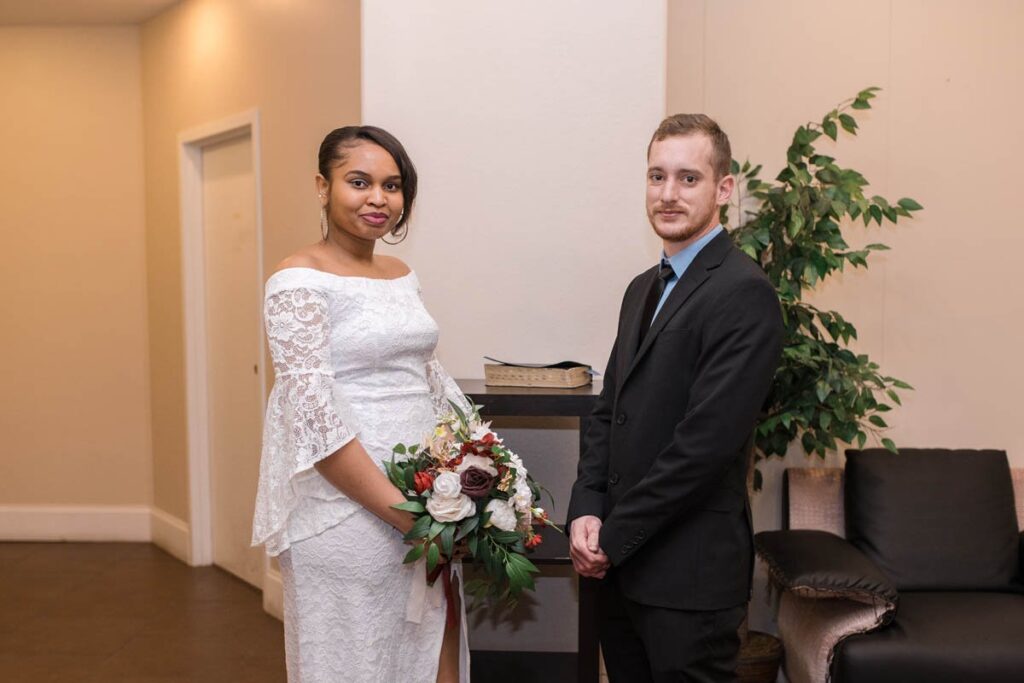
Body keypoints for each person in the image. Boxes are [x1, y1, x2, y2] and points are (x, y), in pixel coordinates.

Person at [567, 114, 784, 682]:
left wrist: (611, 538)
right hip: (619, 568)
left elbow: (704, 447)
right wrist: (586, 509)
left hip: (688, 579)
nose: (668, 194)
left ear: (724, 189)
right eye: (656, 176)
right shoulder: (642, 287)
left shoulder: (745, 292)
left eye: (688, 178)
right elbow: (609, 411)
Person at [251, 126, 470, 682]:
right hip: (348, 509)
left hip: (427, 497)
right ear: (322, 187)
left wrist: (474, 475)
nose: (379, 198)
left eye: (392, 186)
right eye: (359, 182)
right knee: (359, 659)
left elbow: (429, 377)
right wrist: (407, 518)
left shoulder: (399, 274)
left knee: (432, 650)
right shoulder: (297, 279)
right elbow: (314, 420)